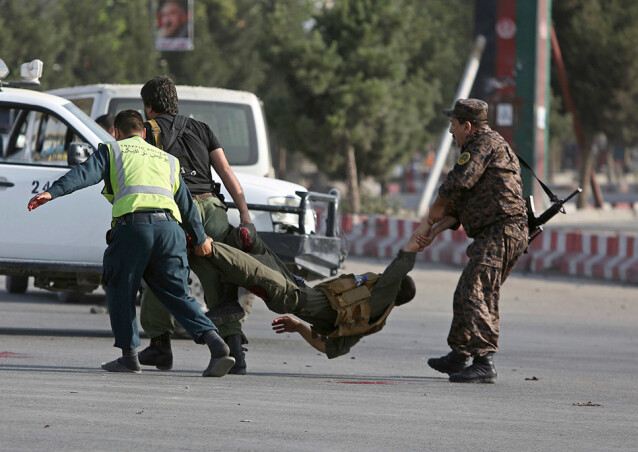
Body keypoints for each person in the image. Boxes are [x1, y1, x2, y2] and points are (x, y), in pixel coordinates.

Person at [27, 110, 235, 377]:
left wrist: (52, 191)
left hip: (134, 228)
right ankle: (215, 343)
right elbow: (186, 205)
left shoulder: (112, 151)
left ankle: (129, 357)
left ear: (116, 132)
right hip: (170, 231)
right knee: (176, 292)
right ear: (144, 132)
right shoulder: (168, 160)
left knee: (120, 286)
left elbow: (84, 174)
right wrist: (199, 238)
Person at [202, 217, 456, 359]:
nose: (384, 275)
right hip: (297, 289)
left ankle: (203, 246)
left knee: (250, 266)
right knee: (252, 242)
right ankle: (227, 290)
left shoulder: (384, 292)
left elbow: (407, 253)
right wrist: (300, 327)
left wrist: (432, 225)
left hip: (292, 297)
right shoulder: (370, 320)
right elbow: (328, 347)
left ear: (395, 288)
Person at [137, 75, 253, 375]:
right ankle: (236, 352)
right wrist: (244, 216)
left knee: (160, 274)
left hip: (176, 210)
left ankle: (160, 346)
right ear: (175, 102)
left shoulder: (148, 131)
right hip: (212, 209)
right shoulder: (202, 128)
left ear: (149, 108)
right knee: (218, 280)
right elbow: (226, 172)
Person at [420, 99, 528, 384]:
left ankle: (484, 361)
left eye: (453, 126)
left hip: (502, 231)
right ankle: (459, 354)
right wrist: (438, 226)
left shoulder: (482, 146)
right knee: (466, 290)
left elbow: (458, 182)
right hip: (497, 231)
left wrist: (434, 210)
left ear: (468, 126)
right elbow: (467, 199)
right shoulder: (486, 144)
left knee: (478, 293)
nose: (450, 132)